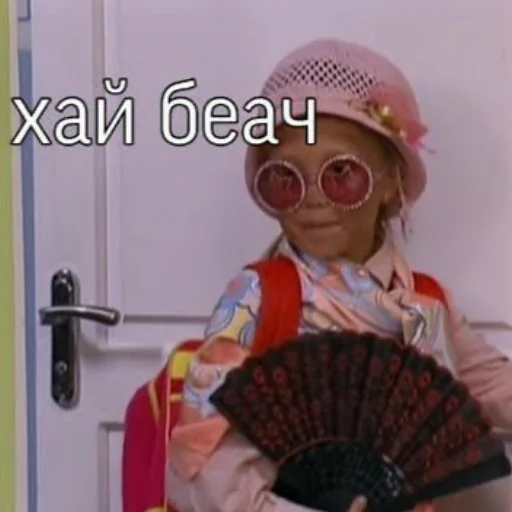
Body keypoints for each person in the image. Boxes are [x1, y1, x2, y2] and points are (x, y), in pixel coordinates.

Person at [130, 38, 512, 512]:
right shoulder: (258, 299)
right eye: (285, 179)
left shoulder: (426, 304)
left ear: (391, 182)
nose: (313, 198)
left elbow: (494, 387)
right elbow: (205, 459)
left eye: (341, 174)